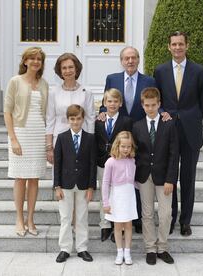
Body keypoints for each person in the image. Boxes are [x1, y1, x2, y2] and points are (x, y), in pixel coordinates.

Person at [154, 31, 203, 236]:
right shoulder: (160, 71)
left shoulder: (199, 71)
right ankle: (169, 219)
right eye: (174, 44)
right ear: (169, 47)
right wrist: (163, 114)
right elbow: (157, 100)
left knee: (188, 177)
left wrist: (192, 118)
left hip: (190, 132)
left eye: (181, 44)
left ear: (187, 46)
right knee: (170, 177)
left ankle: (185, 221)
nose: (177, 47)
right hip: (168, 131)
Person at [98, 46, 159, 237]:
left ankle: (138, 219)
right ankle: (112, 220)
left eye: (133, 58)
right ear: (121, 61)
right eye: (126, 58)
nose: (130, 61)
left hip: (140, 136)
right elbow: (106, 101)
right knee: (116, 182)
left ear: (138, 60)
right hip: (119, 136)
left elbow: (154, 102)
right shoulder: (112, 78)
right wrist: (102, 113)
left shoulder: (149, 80)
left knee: (137, 177)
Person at [3, 46, 49, 237]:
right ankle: (19, 219)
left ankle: (31, 219)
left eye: (39, 59)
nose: (36, 62)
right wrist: (13, 138)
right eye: (32, 58)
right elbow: (7, 111)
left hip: (38, 133)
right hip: (21, 133)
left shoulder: (44, 83)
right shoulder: (15, 81)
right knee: (20, 178)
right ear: (25, 61)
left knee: (34, 178)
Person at [132, 87, 179, 265]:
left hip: (164, 177)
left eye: (154, 105)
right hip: (144, 176)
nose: (150, 108)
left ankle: (163, 247)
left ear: (159, 104)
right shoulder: (137, 126)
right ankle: (150, 248)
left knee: (166, 213)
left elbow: (174, 154)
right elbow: (135, 153)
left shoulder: (169, 124)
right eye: (147, 105)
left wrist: (171, 179)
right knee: (147, 213)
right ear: (142, 105)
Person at [54, 104, 97, 263]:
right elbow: (57, 163)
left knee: (81, 217)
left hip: (84, 185)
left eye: (78, 118)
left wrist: (91, 187)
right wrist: (57, 186)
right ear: (68, 119)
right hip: (65, 184)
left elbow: (92, 164)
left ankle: (82, 248)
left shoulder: (90, 138)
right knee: (65, 217)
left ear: (83, 119)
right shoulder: (62, 137)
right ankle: (65, 248)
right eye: (72, 119)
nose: (75, 122)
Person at [95, 89, 133, 242]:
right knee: (103, 194)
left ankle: (119, 225)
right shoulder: (98, 121)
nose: (112, 104)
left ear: (120, 103)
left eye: (115, 101)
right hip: (102, 162)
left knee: (118, 194)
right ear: (104, 103)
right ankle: (105, 225)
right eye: (109, 101)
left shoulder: (126, 121)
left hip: (119, 163)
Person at [46, 53, 95, 162]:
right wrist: (49, 147)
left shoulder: (87, 92)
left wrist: (90, 142)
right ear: (60, 71)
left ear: (76, 69)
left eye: (71, 67)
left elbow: (90, 119)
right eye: (64, 68)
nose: (68, 71)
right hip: (59, 139)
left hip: (82, 139)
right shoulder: (53, 92)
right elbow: (50, 120)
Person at [101, 131, 137, 265]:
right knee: (117, 226)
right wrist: (105, 202)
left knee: (128, 225)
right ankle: (119, 252)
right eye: (123, 146)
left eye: (128, 147)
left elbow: (133, 181)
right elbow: (105, 183)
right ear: (117, 145)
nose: (126, 149)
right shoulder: (111, 162)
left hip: (129, 196)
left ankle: (127, 252)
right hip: (116, 196)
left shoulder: (132, 161)